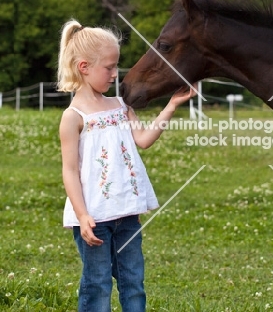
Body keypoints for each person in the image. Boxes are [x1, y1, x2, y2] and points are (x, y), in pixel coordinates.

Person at [57, 18, 196, 312]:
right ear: (84, 67)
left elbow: (144, 140)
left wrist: (171, 106)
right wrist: (82, 216)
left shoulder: (121, 106)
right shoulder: (73, 117)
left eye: (115, 66)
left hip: (127, 215)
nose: (114, 74)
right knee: (97, 285)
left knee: (134, 283)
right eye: (108, 67)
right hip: (94, 219)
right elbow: (69, 170)